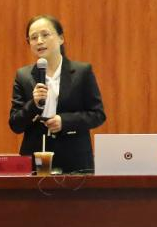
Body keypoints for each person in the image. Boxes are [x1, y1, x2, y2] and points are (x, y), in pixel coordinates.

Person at [9, 14, 106, 173]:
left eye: (45, 35)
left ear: (61, 38)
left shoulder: (82, 72)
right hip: (36, 160)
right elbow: (15, 124)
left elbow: (98, 115)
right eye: (33, 38)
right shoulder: (23, 76)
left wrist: (64, 121)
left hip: (75, 160)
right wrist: (33, 104)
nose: (39, 41)